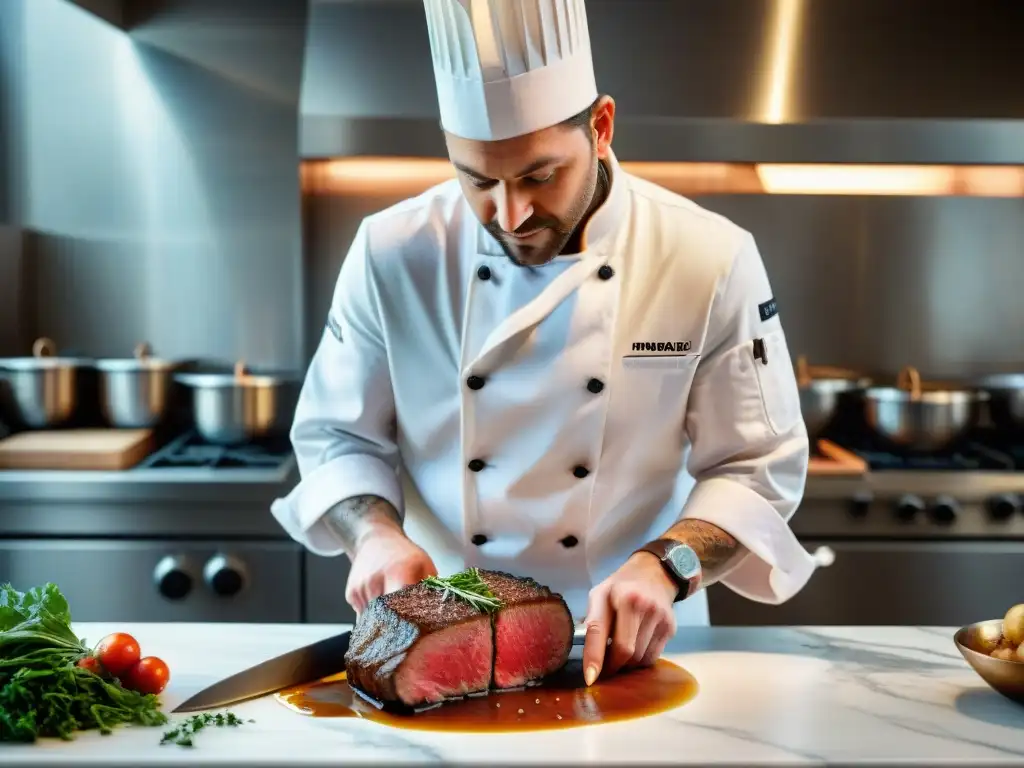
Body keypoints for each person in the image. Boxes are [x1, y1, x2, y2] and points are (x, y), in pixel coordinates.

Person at [272, 0, 830, 687]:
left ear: (601, 127)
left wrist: (669, 565)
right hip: (444, 636)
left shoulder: (707, 256)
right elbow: (336, 438)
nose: (510, 216)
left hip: (636, 638)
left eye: (539, 175)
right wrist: (375, 537)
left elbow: (757, 463)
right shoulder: (392, 250)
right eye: (476, 180)